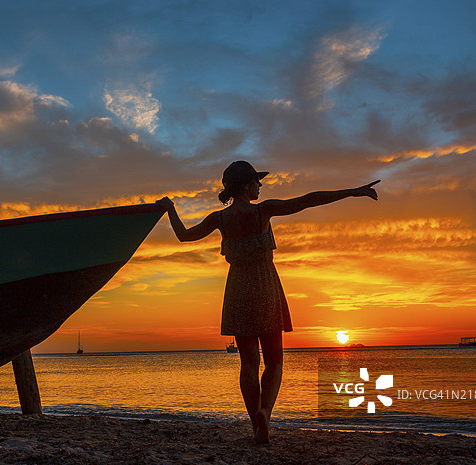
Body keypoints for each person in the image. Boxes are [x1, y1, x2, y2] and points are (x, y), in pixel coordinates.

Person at [158, 161, 379, 444]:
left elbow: (183, 236)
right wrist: (353, 191)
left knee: (248, 363)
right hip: (265, 286)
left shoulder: (219, 219)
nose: (261, 187)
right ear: (247, 185)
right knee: (274, 362)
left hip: (237, 289)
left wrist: (170, 208)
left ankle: (254, 425)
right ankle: (265, 412)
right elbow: (308, 200)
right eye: (257, 182)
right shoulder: (263, 210)